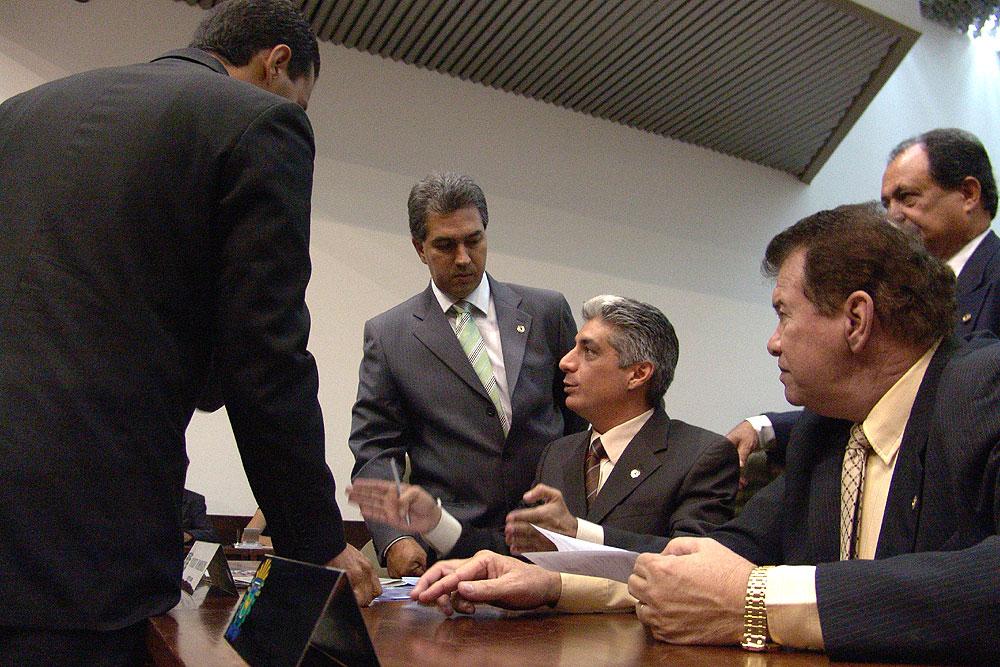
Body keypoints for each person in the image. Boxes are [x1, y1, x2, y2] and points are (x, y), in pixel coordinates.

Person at [410, 203, 1000, 664]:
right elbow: (718, 561)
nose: (773, 341)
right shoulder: (827, 432)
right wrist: (556, 583)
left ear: (856, 319)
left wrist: (758, 603)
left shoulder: (982, 390)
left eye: (783, 313)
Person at [0, 1, 379, 661]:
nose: (298, 110)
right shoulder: (260, 122)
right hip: (83, 549)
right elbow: (266, 357)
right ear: (278, 62)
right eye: (303, 98)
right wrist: (317, 543)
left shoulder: (20, 115)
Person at [349, 295, 737, 554]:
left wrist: (578, 533)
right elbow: (513, 550)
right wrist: (436, 523)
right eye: (573, 347)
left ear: (638, 373)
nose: (565, 362)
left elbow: (692, 562)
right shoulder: (559, 454)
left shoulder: (701, 456)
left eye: (588, 351)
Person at [349, 172, 587, 577]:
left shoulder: (546, 312)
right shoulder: (390, 336)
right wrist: (395, 537)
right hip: (451, 549)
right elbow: (376, 447)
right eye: (445, 245)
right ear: (419, 248)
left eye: (473, 241)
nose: (463, 258)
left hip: (549, 541)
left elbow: (578, 423)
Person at [728, 128, 1000, 474]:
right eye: (887, 203)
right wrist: (766, 427)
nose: (893, 216)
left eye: (907, 198)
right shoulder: (890, 284)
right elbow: (877, 393)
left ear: (968, 194)